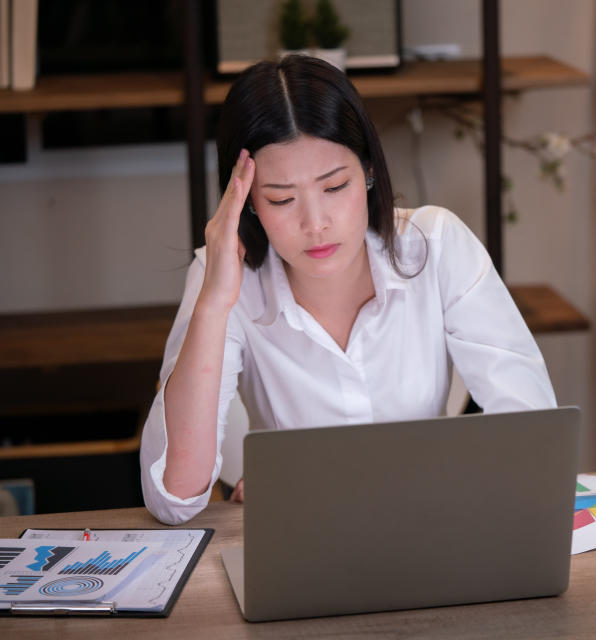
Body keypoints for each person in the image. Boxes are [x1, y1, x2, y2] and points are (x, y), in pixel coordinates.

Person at [140, 56, 556, 525]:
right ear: (247, 201)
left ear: (369, 171)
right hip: (303, 545)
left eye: (335, 187)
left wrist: (321, 485)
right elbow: (173, 500)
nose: (314, 224)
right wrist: (214, 304)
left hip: (432, 530)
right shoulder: (221, 275)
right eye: (280, 199)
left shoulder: (436, 246)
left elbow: (533, 432)